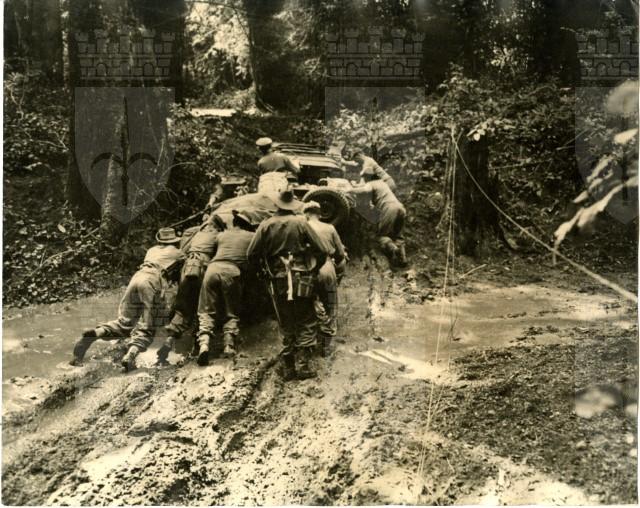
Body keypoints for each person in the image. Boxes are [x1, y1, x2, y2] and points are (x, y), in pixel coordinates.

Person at [70, 228, 185, 371]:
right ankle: (130, 356)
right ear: (175, 241)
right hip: (152, 282)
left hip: (137, 278)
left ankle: (97, 332)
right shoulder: (178, 253)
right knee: (148, 327)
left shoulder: (152, 250)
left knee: (125, 321)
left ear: (160, 240)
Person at [247, 190, 327, 380]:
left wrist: (262, 272)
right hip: (302, 277)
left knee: (285, 321)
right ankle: (304, 366)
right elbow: (322, 250)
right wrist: (314, 270)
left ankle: (289, 368)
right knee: (307, 319)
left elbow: (251, 254)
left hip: (278, 279)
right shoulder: (301, 222)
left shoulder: (266, 225)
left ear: (277, 204)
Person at [156, 215, 223, 364]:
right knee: (203, 307)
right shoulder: (218, 236)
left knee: (183, 308)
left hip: (187, 268)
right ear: (217, 226)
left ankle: (169, 339)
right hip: (204, 268)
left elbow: (182, 252)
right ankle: (200, 347)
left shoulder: (196, 234)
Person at [195, 210, 256, 366]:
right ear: (248, 225)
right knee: (231, 310)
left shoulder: (222, 235)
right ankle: (228, 345)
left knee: (205, 309)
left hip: (212, 270)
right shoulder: (252, 237)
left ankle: (204, 344)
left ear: (234, 223)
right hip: (232, 271)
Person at [302, 201, 347, 354]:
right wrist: (338, 271)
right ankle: (326, 345)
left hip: (306, 269)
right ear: (319, 214)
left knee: (307, 304)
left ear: (306, 214)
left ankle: (308, 344)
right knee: (330, 304)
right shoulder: (329, 228)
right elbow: (340, 254)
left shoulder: (301, 227)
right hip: (326, 267)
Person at [358, 172, 407, 266]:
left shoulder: (371, 184)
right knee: (398, 235)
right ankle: (403, 259)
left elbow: (362, 190)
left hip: (390, 209)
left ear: (367, 178)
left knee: (381, 235)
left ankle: (394, 249)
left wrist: (350, 189)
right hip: (400, 207)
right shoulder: (382, 183)